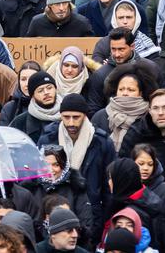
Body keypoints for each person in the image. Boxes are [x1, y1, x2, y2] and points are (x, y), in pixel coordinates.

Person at [38, 93, 117, 243]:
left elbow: (108, 188)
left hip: (91, 213)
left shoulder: (101, 142)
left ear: (85, 116)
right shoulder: (48, 138)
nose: (71, 123)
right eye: (66, 117)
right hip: (55, 209)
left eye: (76, 117)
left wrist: (104, 218)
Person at [25, 146, 93, 236]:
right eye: (45, 165)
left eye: (56, 165)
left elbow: (85, 222)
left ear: (64, 166)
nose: (50, 170)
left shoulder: (76, 188)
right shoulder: (31, 189)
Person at [26, 0, 93, 37]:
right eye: (57, 4)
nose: (61, 8)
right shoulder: (37, 23)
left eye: (64, 3)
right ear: (50, 5)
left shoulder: (81, 23)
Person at [11, 72, 63, 142]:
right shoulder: (20, 122)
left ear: (56, 89)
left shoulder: (68, 114)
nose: (46, 92)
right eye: (40, 90)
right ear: (32, 96)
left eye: (49, 88)